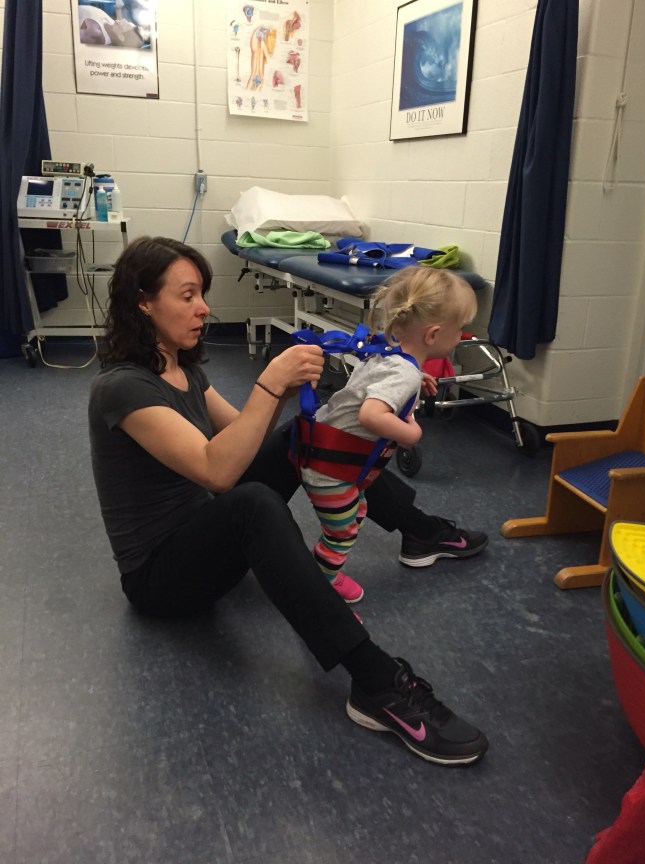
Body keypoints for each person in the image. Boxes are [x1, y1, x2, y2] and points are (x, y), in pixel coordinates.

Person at [88, 235, 489, 766]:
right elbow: (218, 470)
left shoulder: (183, 369)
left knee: (311, 437)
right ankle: (376, 683)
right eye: (187, 296)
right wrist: (269, 382)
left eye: (202, 293)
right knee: (254, 502)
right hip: (159, 579)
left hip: (205, 534)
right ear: (143, 302)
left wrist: (316, 400)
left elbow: (245, 436)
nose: (204, 307)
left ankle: (420, 531)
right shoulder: (121, 388)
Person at [293, 266, 478, 604]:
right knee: (341, 533)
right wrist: (411, 434)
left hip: (321, 454)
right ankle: (321, 587)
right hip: (331, 471)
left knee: (357, 511)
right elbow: (371, 414)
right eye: (460, 329)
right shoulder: (403, 373)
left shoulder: (386, 352)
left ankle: (322, 573)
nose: (462, 335)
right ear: (433, 334)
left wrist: (416, 377)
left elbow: (378, 382)